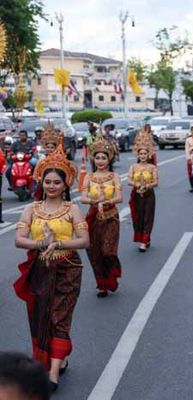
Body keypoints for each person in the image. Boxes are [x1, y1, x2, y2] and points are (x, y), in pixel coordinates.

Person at [14, 143, 89, 392]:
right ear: (41, 183)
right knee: (40, 319)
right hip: (39, 270)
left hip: (67, 268)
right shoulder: (30, 209)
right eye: (48, 182)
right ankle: (58, 357)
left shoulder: (73, 209)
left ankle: (53, 372)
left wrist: (57, 242)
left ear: (65, 184)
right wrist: (40, 243)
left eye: (57, 182)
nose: (52, 186)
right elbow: (18, 240)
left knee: (59, 318)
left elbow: (84, 241)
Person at [81, 138, 123, 298]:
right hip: (93, 217)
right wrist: (94, 200)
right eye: (97, 158)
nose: (100, 161)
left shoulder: (114, 176)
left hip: (111, 216)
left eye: (103, 158)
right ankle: (102, 285)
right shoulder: (89, 177)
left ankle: (112, 274)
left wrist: (106, 201)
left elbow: (119, 197)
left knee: (108, 251)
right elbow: (83, 197)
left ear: (109, 159)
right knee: (94, 251)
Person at [127, 129, 158, 252]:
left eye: (145, 154)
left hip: (149, 195)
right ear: (138, 155)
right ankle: (144, 238)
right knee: (138, 218)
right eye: (141, 154)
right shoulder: (133, 167)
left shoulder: (152, 167)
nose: (143, 156)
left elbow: (156, 182)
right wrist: (137, 185)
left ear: (148, 155)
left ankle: (144, 241)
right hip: (136, 195)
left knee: (148, 218)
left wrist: (147, 186)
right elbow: (129, 181)